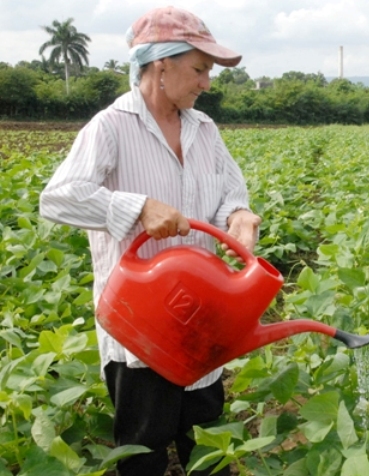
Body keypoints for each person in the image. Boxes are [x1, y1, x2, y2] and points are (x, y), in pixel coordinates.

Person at [39, 6, 260, 475]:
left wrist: (238, 214)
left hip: (201, 317)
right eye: (200, 69)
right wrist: (136, 208)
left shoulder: (205, 129)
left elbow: (228, 191)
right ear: (161, 64)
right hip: (142, 328)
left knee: (208, 440)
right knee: (144, 451)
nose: (207, 83)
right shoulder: (112, 127)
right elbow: (57, 198)